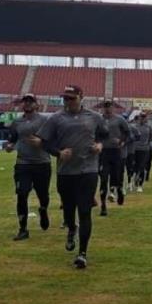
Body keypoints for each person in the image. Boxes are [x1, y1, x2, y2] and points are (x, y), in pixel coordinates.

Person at [32, 85, 108, 269]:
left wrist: (99, 146)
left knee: (84, 210)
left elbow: (104, 136)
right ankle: (71, 228)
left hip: (88, 170)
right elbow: (44, 143)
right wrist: (59, 153)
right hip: (66, 172)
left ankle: (82, 253)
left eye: (71, 98)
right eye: (65, 98)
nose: (67, 102)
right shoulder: (55, 118)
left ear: (81, 97)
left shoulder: (94, 117)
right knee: (68, 209)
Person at [4, 94, 51, 241]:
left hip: (42, 163)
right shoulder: (17, 122)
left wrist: (41, 142)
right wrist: (9, 146)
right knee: (22, 194)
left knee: (43, 195)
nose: (28, 104)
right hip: (23, 163)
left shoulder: (45, 120)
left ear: (37, 105)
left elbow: (53, 139)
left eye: (31, 102)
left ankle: (43, 210)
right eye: (25, 102)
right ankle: (23, 229)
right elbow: (11, 140)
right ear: (22, 105)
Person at [98, 100, 132, 216]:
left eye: (109, 107)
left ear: (113, 108)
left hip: (116, 151)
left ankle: (119, 190)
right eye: (105, 107)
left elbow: (128, 133)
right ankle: (103, 205)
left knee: (116, 176)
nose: (107, 109)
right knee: (103, 178)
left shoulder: (119, 119)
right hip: (103, 152)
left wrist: (122, 141)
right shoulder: (99, 119)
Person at [132, 112, 152, 193]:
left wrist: (149, 141)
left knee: (142, 167)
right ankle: (136, 175)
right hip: (135, 149)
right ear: (139, 118)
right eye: (141, 117)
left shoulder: (148, 127)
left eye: (144, 117)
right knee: (135, 166)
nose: (142, 118)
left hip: (145, 149)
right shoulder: (134, 127)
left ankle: (140, 185)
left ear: (146, 118)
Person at [125, 119, 140, 191]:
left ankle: (129, 183)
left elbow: (138, 136)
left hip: (130, 151)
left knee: (130, 168)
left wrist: (130, 139)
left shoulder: (132, 128)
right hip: (121, 151)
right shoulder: (119, 127)